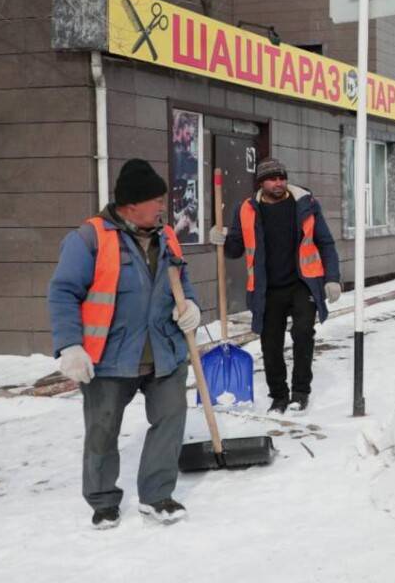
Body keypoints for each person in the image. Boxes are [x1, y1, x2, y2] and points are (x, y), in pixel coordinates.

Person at [48, 159, 201, 529]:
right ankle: (102, 500)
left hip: (164, 352)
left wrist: (192, 305)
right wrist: (70, 345)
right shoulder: (89, 239)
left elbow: (182, 279)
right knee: (102, 430)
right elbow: (62, 292)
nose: (163, 207)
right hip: (110, 358)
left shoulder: (167, 236)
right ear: (132, 205)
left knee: (169, 421)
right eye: (157, 200)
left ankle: (157, 495)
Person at [212, 158, 340, 414]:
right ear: (261, 183)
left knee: (303, 333)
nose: (279, 183)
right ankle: (279, 395)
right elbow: (235, 249)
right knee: (270, 342)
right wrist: (221, 238)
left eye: (282, 178)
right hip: (267, 288)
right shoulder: (246, 209)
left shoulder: (306, 204)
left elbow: (325, 242)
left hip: (302, 283)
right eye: (273, 179)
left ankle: (300, 392)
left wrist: (333, 277)